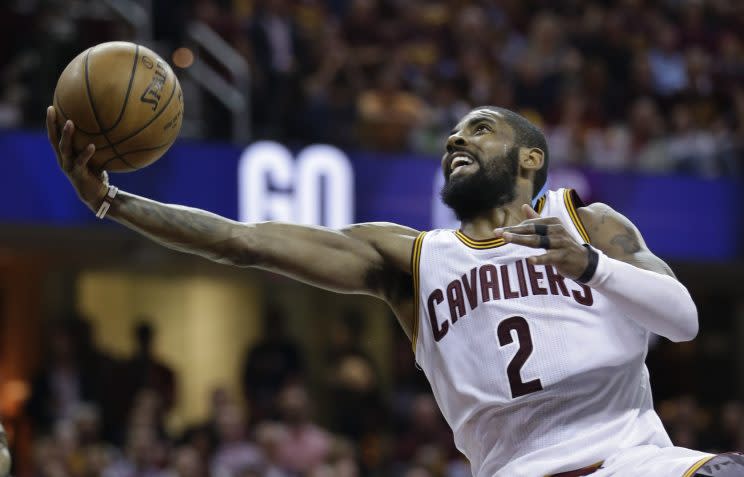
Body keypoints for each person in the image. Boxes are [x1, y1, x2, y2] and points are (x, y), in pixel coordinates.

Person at [46, 105, 744, 477]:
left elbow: (682, 319)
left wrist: (588, 263)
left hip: (635, 458)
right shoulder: (409, 257)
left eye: (479, 128)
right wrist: (112, 202)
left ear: (530, 157)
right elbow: (245, 239)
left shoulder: (586, 221)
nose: (454, 138)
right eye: (453, 132)